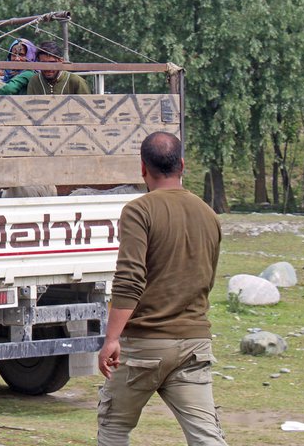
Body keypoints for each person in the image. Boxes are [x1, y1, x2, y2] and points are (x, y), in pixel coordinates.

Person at [96, 131, 228, 446]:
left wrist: (112, 339)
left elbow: (129, 278)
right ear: (182, 165)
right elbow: (205, 279)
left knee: (113, 426)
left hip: (146, 345)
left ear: (143, 168)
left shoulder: (139, 210)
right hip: (194, 344)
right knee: (206, 436)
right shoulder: (209, 216)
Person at [25, 40, 91, 95]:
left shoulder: (76, 82)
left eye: (52, 62)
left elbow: (88, 107)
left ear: (61, 61)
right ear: (39, 62)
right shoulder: (35, 81)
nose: (48, 68)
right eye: (44, 63)